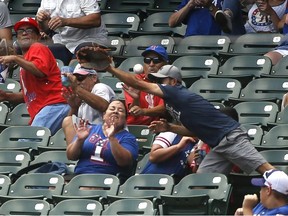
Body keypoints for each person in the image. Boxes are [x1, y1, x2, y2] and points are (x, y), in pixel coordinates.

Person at [99, 61, 275, 175]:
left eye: (162, 81)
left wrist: (109, 68)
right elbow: (192, 130)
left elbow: (137, 83)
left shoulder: (176, 92)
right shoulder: (170, 104)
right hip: (217, 144)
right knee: (202, 180)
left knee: (266, 171)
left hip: (230, 137)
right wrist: (169, 128)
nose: (158, 84)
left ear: (173, 82)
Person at [0, 17, 69, 135]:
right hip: (47, 108)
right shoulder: (26, 62)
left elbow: (40, 71)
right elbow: (28, 95)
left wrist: (15, 58)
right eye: (21, 31)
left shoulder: (38, 47)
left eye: (30, 30)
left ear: (38, 37)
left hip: (54, 105)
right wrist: (6, 96)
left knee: (27, 140)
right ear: (17, 38)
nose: (25, 33)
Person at [66, 100, 139, 177]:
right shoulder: (89, 130)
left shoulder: (128, 137)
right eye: (112, 109)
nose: (115, 112)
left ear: (125, 120)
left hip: (108, 179)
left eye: (120, 110)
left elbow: (125, 162)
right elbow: (71, 156)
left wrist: (112, 138)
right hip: (80, 176)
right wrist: (79, 140)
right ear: (104, 115)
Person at [36, 0, 108, 66]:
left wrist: (66, 21)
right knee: (48, 52)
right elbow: (44, 28)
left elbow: (96, 20)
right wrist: (41, 21)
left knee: (81, 53)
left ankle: (71, 75)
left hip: (90, 39)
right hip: (63, 40)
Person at [62, 67, 116, 144]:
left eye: (80, 78)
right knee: (68, 120)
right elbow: (71, 126)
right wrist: (74, 108)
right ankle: (75, 154)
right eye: (75, 79)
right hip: (90, 137)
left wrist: (77, 89)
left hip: (108, 136)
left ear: (94, 78)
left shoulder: (100, 87)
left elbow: (103, 106)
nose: (77, 82)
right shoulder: (81, 97)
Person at [122, 45, 167, 125]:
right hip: (133, 126)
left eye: (156, 61)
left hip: (156, 128)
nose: (151, 64)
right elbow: (132, 110)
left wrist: (143, 111)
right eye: (147, 60)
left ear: (165, 64)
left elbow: (164, 108)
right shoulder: (135, 81)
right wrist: (136, 98)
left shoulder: (168, 82)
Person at [168, 0, 245, 36]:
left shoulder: (228, 2)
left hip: (215, 41)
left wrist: (209, 6)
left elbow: (224, 23)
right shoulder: (190, 1)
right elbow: (172, 23)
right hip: (190, 42)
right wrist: (189, 5)